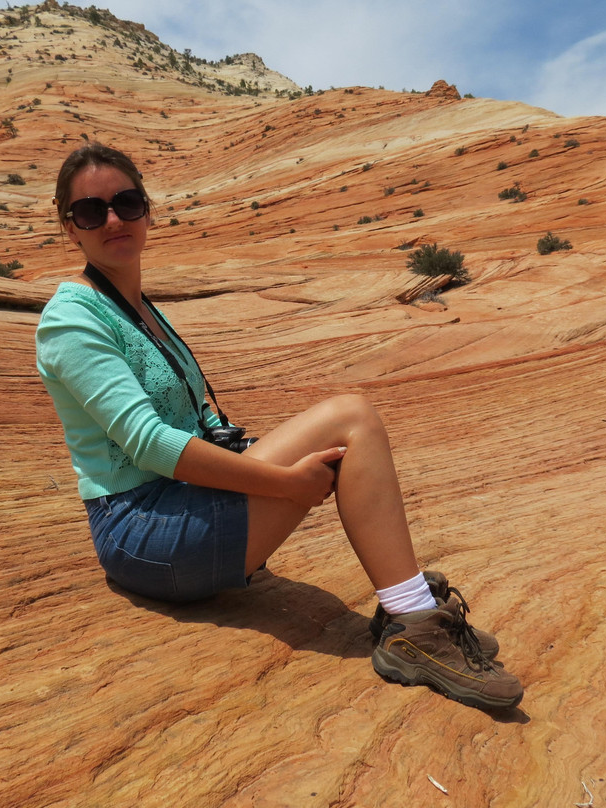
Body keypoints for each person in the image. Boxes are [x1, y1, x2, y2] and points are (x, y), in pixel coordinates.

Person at [35, 143, 523, 709]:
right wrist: (286, 483)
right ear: (69, 228)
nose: (114, 220)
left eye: (126, 202)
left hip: (182, 497)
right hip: (142, 528)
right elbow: (146, 443)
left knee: (345, 429)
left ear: (149, 210)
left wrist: (250, 447)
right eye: (92, 212)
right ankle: (415, 624)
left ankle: (408, 607)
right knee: (350, 419)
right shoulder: (71, 318)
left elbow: (196, 416)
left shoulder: (139, 306)